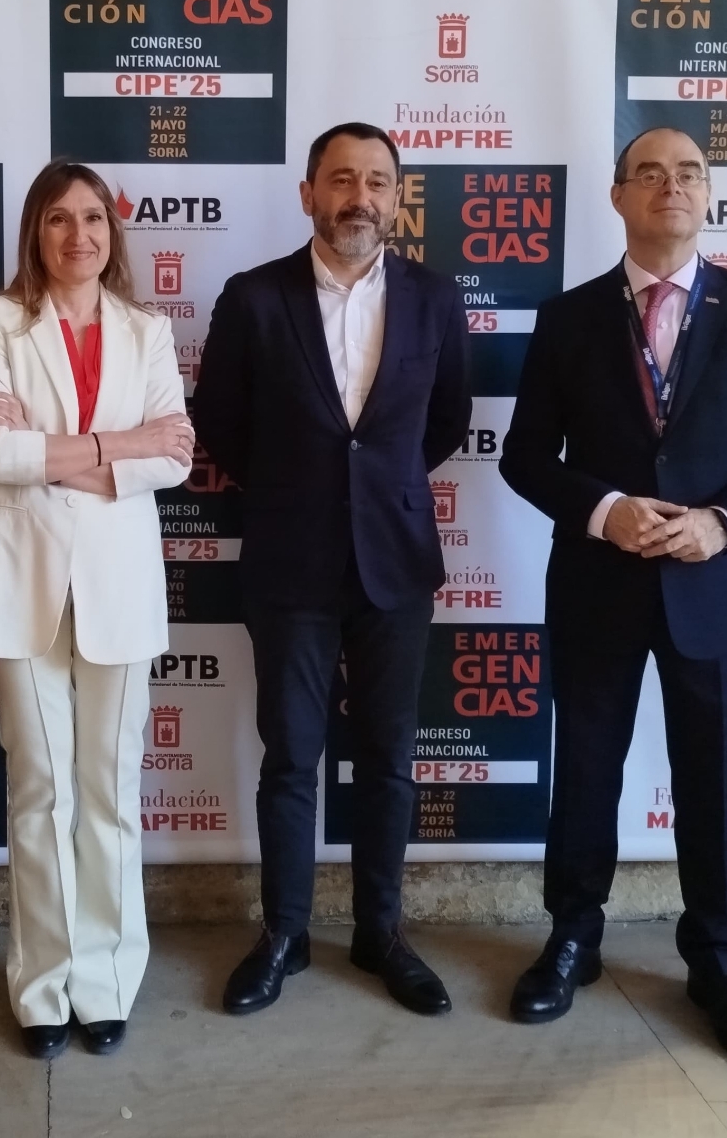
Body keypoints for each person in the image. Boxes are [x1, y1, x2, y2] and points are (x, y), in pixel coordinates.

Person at [498, 128, 727, 1070]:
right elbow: (525, 456)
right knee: (586, 775)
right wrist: (604, 510)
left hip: (713, 591)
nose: (671, 186)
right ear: (619, 197)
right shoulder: (568, 317)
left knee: (714, 784)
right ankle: (574, 937)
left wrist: (723, 523)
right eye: (650, 173)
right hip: (598, 586)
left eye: (689, 173)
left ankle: (718, 963)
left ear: (708, 195)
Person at [193, 123, 473, 1018]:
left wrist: (376, 490)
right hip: (290, 558)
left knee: (390, 756)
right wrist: (301, 489)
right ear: (309, 193)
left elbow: (446, 421)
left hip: (397, 559)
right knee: (290, 757)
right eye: (342, 179)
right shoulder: (253, 297)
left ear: (397, 197)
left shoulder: (435, 297)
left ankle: (380, 931)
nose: (361, 197)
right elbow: (220, 423)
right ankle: (284, 932)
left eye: (378, 181)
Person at [0, 160, 193, 1060]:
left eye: (93, 217)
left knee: (109, 790)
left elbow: (173, 455)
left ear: (112, 232)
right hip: (22, 586)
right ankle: (42, 988)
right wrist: (114, 447)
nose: (78, 235)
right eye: (58, 218)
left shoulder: (147, 329)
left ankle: (106, 982)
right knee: (40, 791)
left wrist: (52, 448)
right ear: (36, 232)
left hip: (119, 590)